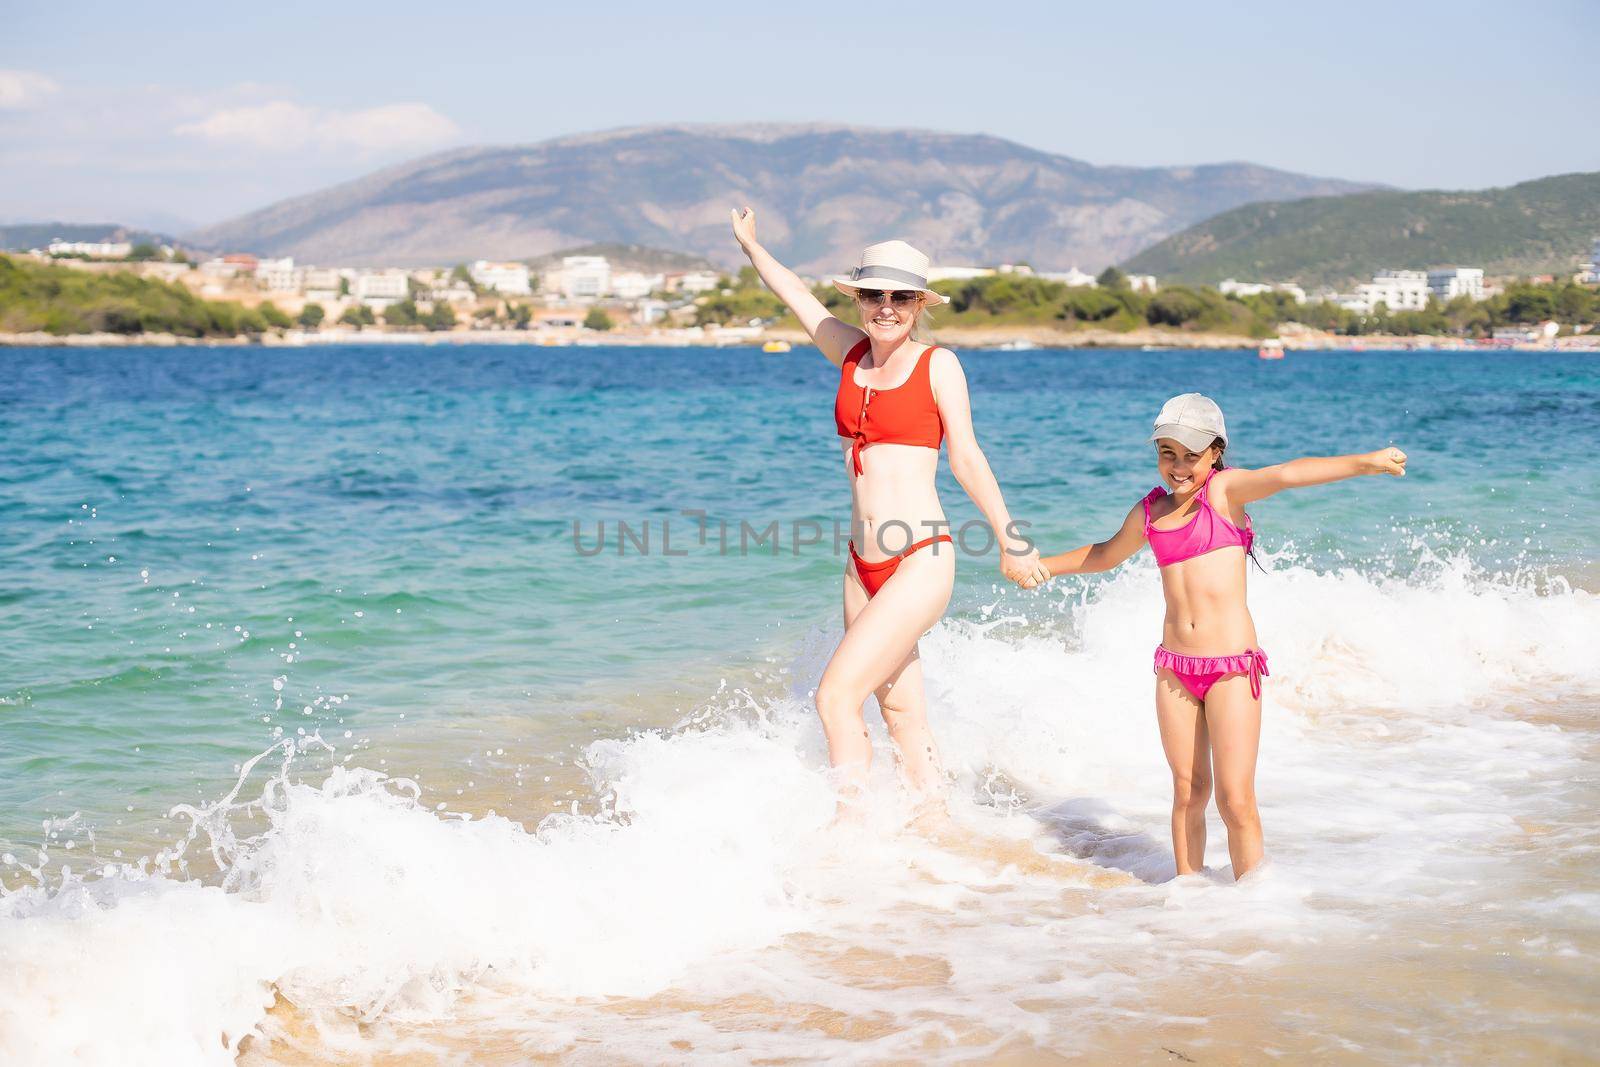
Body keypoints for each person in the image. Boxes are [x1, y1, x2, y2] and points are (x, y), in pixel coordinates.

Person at [730, 207, 1048, 811]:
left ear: (920, 304)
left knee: (834, 698)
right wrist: (750, 245)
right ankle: (937, 827)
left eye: (901, 297)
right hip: (861, 565)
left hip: (919, 556)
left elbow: (968, 459)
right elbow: (794, 292)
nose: (886, 307)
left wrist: (1011, 540)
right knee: (899, 709)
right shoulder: (848, 355)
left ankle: (851, 831)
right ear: (858, 299)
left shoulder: (938, 365)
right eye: (874, 294)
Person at [1020, 393, 1406, 878]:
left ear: (1216, 453)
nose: (1178, 467)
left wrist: (1365, 463)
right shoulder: (1150, 512)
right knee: (1188, 790)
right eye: (1168, 453)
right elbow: (1104, 554)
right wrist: (1045, 568)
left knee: (1234, 797)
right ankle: (1189, 900)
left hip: (1230, 667)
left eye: (1191, 455)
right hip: (1175, 670)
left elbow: (1287, 473)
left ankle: (1253, 903)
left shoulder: (1224, 494)